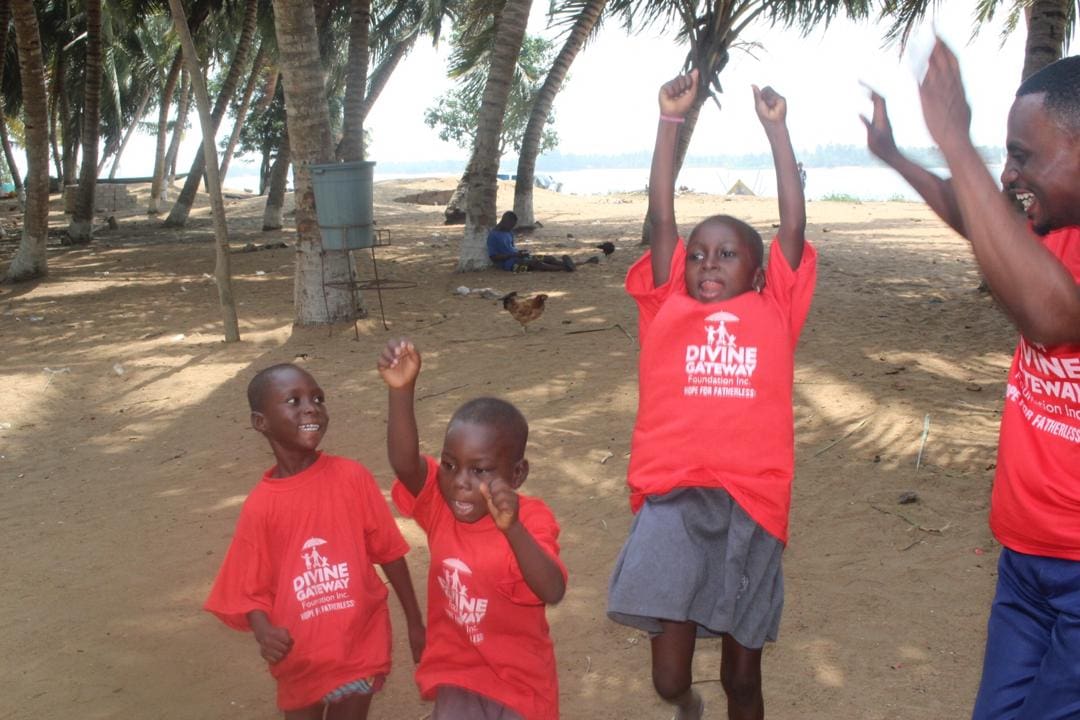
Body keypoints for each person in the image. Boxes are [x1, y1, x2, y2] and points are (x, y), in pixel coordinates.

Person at [866, 42, 1080, 720]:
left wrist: (954, 138)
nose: (1009, 172)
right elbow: (973, 211)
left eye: (1023, 154)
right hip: (1025, 553)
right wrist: (897, 156)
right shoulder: (1054, 227)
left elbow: (1051, 318)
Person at [606, 69, 814, 720]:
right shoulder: (667, 301)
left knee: (742, 679)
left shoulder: (776, 308)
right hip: (672, 498)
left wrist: (777, 131)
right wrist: (669, 121)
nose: (707, 264)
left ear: (758, 273)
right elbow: (662, 211)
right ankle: (687, 707)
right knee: (669, 678)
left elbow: (793, 222)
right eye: (699, 254)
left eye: (726, 255)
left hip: (751, 501)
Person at [204, 363, 426, 720]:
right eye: (294, 401)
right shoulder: (261, 506)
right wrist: (263, 632)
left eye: (318, 399)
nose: (311, 408)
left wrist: (415, 622)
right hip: (300, 657)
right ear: (261, 422)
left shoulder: (352, 477)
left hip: (360, 644)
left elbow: (389, 552)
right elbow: (248, 587)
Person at [378, 339, 567, 720]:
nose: (459, 482)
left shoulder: (532, 519)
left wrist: (512, 529)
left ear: (517, 474)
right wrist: (401, 390)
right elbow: (405, 464)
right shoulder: (440, 508)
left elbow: (552, 588)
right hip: (459, 675)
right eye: (450, 465)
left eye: (480, 470)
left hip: (520, 684)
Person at [487, 210, 576, 272]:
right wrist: (514, 254)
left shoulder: (508, 232)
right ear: (505, 221)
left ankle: (568, 265)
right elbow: (493, 257)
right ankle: (564, 268)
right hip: (510, 265)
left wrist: (519, 252)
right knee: (536, 263)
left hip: (519, 257)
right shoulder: (493, 236)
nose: (512, 227)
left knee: (549, 258)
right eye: (511, 225)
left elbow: (511, 248)